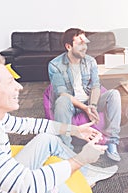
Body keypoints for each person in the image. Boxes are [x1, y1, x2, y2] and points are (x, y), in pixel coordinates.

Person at [0, 53, 118, 193]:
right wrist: (80, 159)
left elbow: (31, 124)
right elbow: (29, 185)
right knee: (51, 189)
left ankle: (86, 175)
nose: (19, 87)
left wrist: (74, 130)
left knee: (46, 138)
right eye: (10, 82)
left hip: (3, 182)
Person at [48, 28, 122, 161]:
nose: (85, 47)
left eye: (85, 43)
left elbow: (95, 85)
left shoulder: (90, 61)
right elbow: (62, 93)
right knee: (61, 101)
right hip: (71, 103)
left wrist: (92, 105)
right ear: (69, 46)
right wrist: (85, 108)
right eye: (80, 43)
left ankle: (112, 142)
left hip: (88, 101)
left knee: (114, 94)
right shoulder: (55, 65)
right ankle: (66, 149)